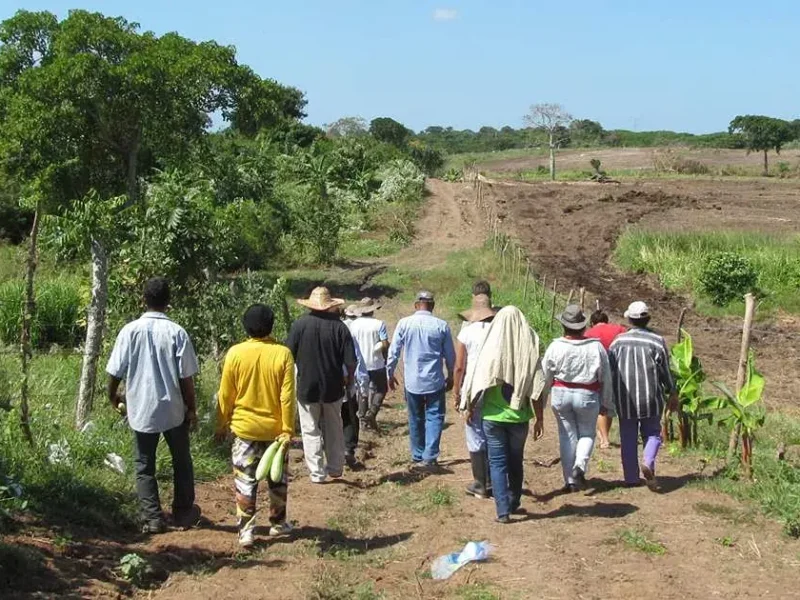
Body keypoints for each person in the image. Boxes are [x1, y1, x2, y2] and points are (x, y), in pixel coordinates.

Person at [106, 277, 201, 534]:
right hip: (173, 408)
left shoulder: (129, 331)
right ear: (168, 301)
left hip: (141, 407)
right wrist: (191, 409)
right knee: (181, 460)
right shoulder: (177, 332)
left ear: (143, 299)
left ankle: (153, 518)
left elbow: (115, 371)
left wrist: (113, 396)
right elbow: (186, 379)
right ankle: (182, 512)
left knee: (144, 464)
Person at [215, 304, 296, 548]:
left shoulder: (235, 354)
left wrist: (221, 425)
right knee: (277, 480)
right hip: (275, 432)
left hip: (244, 430)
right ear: (272, 325)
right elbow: (287, 397)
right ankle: (278, 523)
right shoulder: (282, 354)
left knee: (245, 481)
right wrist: (287, 430)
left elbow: (225, 394)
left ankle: (246, 531)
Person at [463, 306, 545, 523]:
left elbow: (477, 377)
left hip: (492, 418)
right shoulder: (529, 346)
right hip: (519, 418)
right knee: (516, 461)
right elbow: (537, 385)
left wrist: (469, 405)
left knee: (497, 463)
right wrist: (540, 418)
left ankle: (502, 511)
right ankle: (513, 500)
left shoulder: (491, 347)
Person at [287, 287, 357, 483]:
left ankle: (317, 472)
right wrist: (350, 381)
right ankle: (335, 467)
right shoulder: (340, 328)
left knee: (310, 429)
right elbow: (351, 361)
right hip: (333, 386)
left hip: (306, 386)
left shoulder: (299, 325)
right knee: (334, 427)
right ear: (330, 306)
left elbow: (287, 356)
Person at [543, 305, 613, 493]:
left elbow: (546, 374)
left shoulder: (555, 346)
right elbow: (605, 376)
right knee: (587, 434)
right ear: (583, 327)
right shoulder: (595, 347)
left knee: (567, 436)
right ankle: (579, 468)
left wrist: (541, 401)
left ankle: (570, 480)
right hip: (587, 394)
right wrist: (606, 403)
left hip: (561, 393)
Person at [608, 301, 678, 491]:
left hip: (625, 399)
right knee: (653, 433)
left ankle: (631, 478)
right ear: (647, 319)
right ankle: (648, 462)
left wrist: (609, 395)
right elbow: (665, 371)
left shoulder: (617, 342)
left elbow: (611, 371)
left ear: (629, 319)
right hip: (650, 398)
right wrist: (672, 391)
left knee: (628, 437)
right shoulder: (656, 341)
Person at [387, 291, 455, 469]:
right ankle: (430, 456)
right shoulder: (441, 325)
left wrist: (390, 373)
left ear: (416, 305)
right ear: (432, 306)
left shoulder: (404, 324)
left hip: (412, 381)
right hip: (435, 381)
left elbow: (393, 351)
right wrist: (452, 376)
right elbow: (450, 355)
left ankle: (418, 454)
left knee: (415, 417)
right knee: (435, 416)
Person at [453, 282, 497, 499]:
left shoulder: (467, 332)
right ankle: (494, 480)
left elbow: (459, 366)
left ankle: (481, 482)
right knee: (493, 432)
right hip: (496, 387)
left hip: (473, 387)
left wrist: (456, 391)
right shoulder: (499, 331)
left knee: (474, 432)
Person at [585, 310, 627, 449]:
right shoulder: (619, 329)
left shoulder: (589, 333)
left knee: (602, 405)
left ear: (592, 323)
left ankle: (604, 439)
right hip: (618, 371)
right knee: (609, 404)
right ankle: (605, 435)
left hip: (597, 372)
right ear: (606, 320)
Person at [348, 297, 390, 431]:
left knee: (362, 391)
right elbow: (384, 344)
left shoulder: (353, 325)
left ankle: (362, 421)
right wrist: (385, 355)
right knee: (381, 389)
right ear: (373, 310)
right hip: (376, 363)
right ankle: (371, 413)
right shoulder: (379, 324)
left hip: (359, 363)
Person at [341, 305, 369, 469]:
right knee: (349, 417)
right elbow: (355, 360)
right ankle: (348, 450)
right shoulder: (343, 331)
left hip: (317, 388)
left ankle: (331, 453)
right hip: (344, 384)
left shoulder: (303, 327)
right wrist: (360, 384)